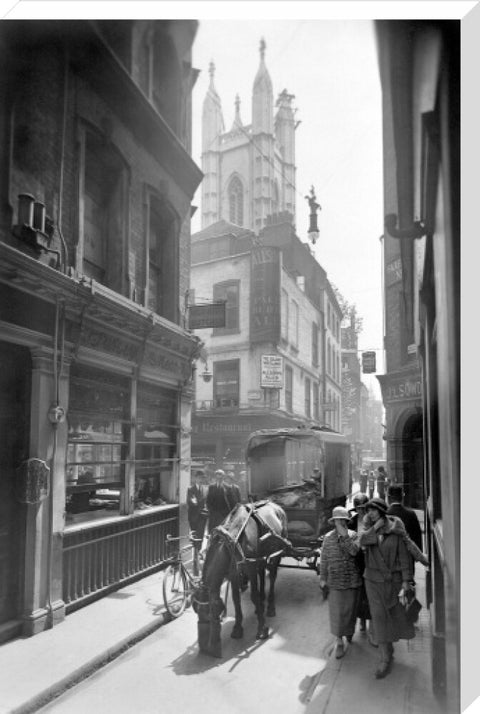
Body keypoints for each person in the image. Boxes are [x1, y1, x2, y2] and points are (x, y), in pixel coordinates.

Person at [359, 498, 414, 679]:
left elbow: (404, 557)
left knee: (392, 617)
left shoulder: (396, 530)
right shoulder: (368, 529)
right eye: (368, 510)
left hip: (393, 581)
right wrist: (374, 527)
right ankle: (383, 659)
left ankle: (389, 649)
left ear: (382, 511)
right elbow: (361, 543)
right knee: (379, 618)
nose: (370, 513)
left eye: (374, 510)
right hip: (372, 581)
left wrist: (406, 581)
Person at [319, 506, 362, 659]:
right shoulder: (327, 538)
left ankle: (349, 632)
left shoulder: (354, 535)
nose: (340, 523)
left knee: (350, 612)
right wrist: (323, 579)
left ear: (346, 521)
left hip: (352, 582)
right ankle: (339, 642)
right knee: (337, 614)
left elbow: (354, 552)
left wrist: (345, 537)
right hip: (335, 582)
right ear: (333, 522)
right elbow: (323, 560)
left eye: (343, 520)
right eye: (337, 520)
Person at [348, 493, 371, 635]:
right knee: (358, 593)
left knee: (369, 593)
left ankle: (369, 621)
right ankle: (361, 620)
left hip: (370, 562)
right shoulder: (351, 523)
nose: (361, 511)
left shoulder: (374, 522)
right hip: (356, 562)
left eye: (363, 508)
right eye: (358, 508)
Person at [187, 470, 208, 565]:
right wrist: (200, 504)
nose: (200, 479)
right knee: (195, 535)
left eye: (202, 478)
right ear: (195, 478)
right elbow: (192, 502)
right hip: (194, 517)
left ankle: (198, 552)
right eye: (199, 477)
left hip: (203, 517)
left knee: (201, 535)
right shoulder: (190, 489)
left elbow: (204, 501)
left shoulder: (205, 489)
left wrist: (202, 505)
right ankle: (195, 554)